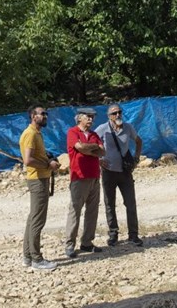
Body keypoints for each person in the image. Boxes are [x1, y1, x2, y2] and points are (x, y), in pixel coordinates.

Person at [96, 103, 144, 247]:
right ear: (108, 116)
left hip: (125, 171)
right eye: (114, 113)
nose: (117, 115)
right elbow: (92, 144)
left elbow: (138, 141)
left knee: (130, 203)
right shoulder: (102, 129)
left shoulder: (128, 127)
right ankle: (113, 234)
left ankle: (133, 235)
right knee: (109, 204)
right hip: (109, 172)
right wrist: (98, 160)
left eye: (119, 112)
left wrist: (136, 157)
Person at [20, 105, 60, 272]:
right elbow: (28, 160)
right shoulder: (30, 134)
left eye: (46, 114)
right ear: (32, 116)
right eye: (41, 114)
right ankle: (37, 259)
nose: (45, 116)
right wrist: (48, 164)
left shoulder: (36, 133)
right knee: (38, 220)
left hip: (39, 178)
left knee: (33, 218)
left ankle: (28, 256)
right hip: (37, 179)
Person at [64, 107, 105, 259]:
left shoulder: (94, 134)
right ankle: (69, 244)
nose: (91, 119)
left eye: (92, 117)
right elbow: (79, 148)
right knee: (75, 211)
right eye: (88, 116)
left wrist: (90, 149)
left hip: (94, 176)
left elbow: (102, 151)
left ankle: (87, 242)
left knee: (92, 211)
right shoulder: (73, 132)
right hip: (79, 177)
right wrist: (91, 149)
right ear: (79, 118)